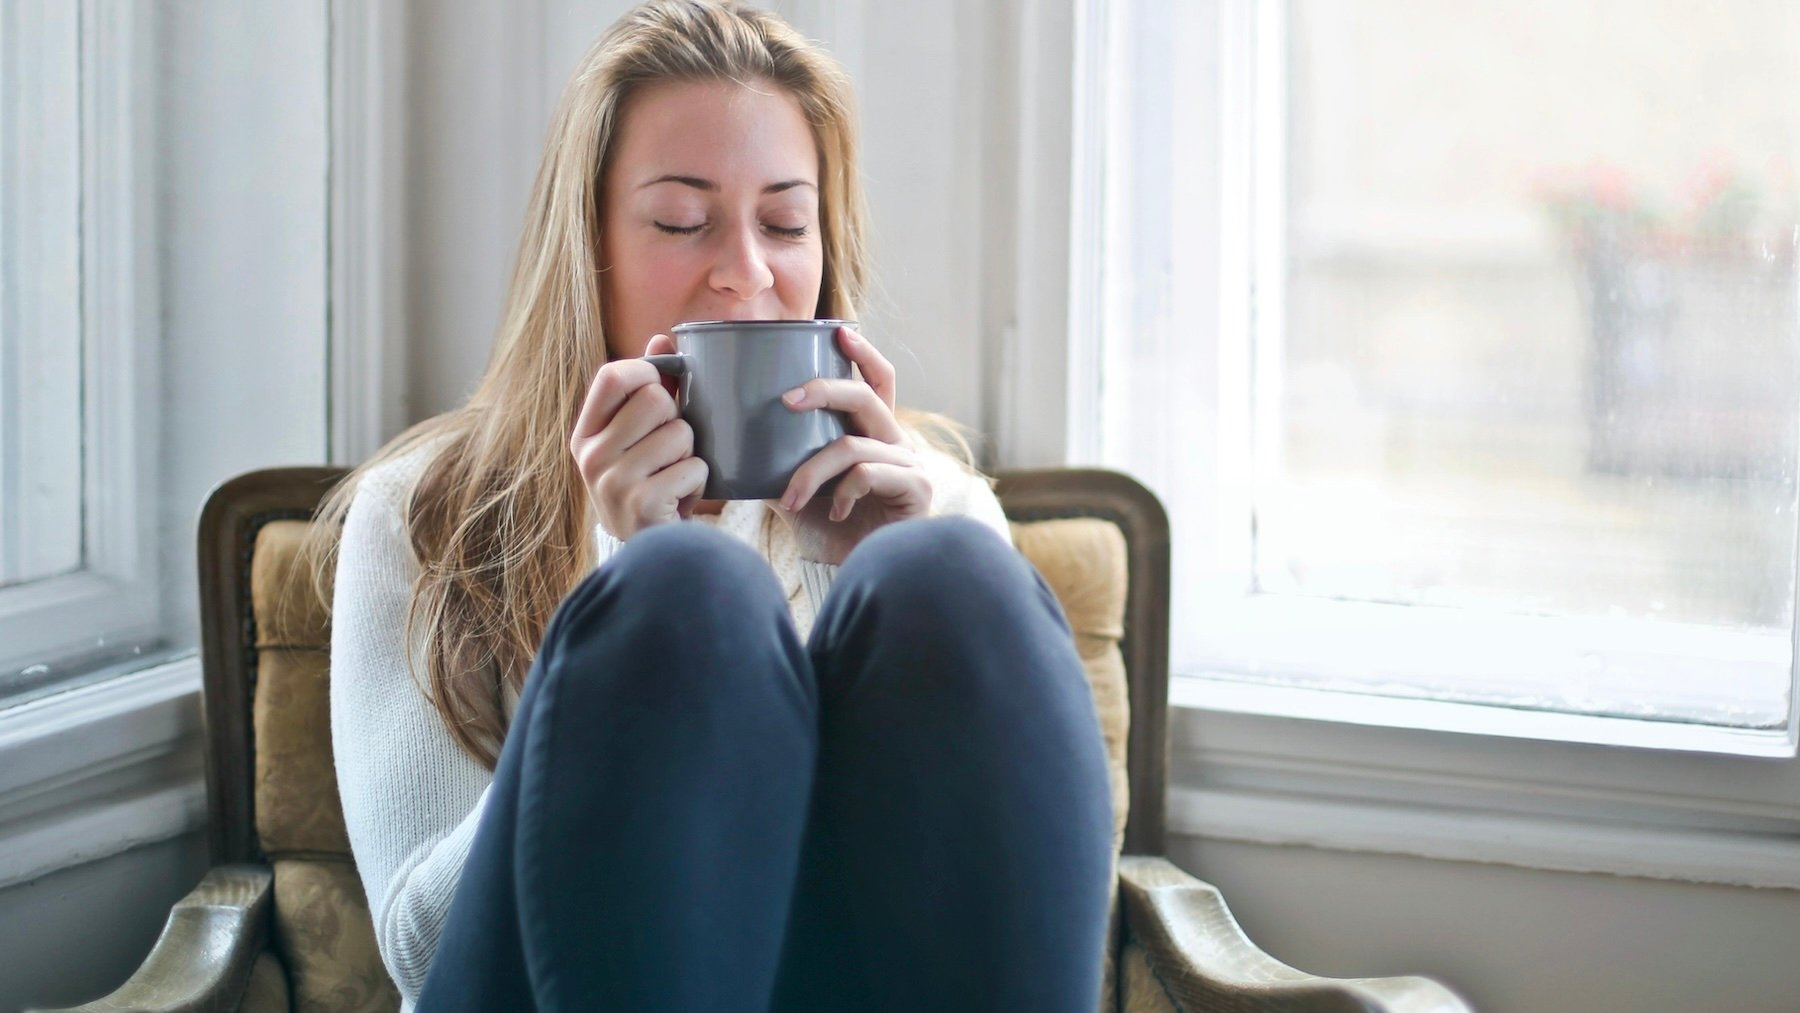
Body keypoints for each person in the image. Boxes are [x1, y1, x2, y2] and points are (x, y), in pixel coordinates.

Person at [311, 2, 1114, 1010]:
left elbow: (1000, 894)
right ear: (588, 244)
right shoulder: (421, 513)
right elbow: (422, 958)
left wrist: (862, 572)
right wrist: (624, 577)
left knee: (946, 571)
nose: (746, 270)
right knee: (685, 588)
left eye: (786, 223)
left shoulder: (930, 503)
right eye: (682, 222)